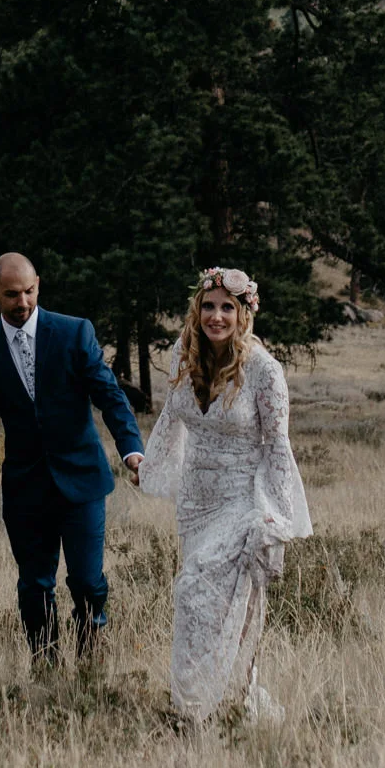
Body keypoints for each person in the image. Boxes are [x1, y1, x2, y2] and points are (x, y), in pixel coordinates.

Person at [139, 267, 312, 723]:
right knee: (208, 607)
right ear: (197, 310)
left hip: (241, 500)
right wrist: (148, 464)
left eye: (227, 308)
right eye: (209, 306)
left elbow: (277, 446)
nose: (217, 317)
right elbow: (172, 418)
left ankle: (200, 707)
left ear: (243, 314)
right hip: (196, 502)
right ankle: (213, 705)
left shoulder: (263, 370)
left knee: (196, 593)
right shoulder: (183, 355)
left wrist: (276, 517)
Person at [0, 252, 146, 665]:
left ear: (38, 285)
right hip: (25, 489)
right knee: (34, 585)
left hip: (82, 482)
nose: (23, 302)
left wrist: (132, 450)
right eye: (12, 294)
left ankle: (89, 665)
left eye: (29, 291)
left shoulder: (74, 333)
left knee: (86, 581)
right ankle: (45, 666)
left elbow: (110, 397)